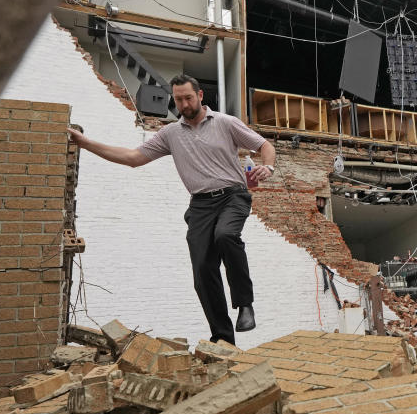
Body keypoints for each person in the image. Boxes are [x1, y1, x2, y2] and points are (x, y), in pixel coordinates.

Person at [67, 74, 276, 345]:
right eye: (178, 99)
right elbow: (132, 158)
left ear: (200, 96)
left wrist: (267, 167)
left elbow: (264, 145)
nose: (184, 104)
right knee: (202, 271)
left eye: (188, 97)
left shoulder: (225, 123)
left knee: (225, 236)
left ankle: (245, 304)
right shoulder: (170, 134)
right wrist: (85, 142)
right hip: (200, 204)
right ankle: (223, 340)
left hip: (232, 196)